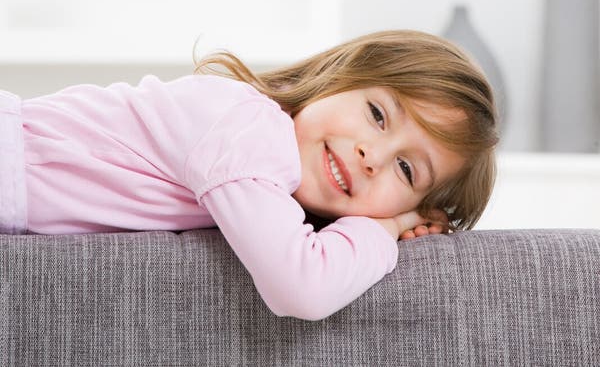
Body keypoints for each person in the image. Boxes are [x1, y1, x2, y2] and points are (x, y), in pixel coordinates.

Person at [0, 29, 499, 320]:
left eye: (406, 169)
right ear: (337, 79)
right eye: (377, 113)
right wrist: (387, 227)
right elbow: (301, 287)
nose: (372, 154)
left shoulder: (267, 179)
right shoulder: (250, 130)